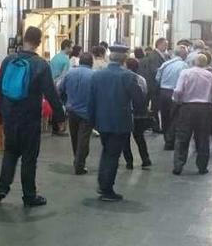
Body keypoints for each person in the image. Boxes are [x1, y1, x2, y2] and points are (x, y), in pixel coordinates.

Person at [0, 27, 66, 207]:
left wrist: (1, 114)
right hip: (29, 118)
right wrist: (60, 116)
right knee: (29, 157)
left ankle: (1, 188)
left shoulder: (8, 60)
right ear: (39, 42)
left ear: (23, 39)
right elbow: (51, 94)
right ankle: (29, 195)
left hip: (10, 117)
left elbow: (0, 90)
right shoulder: (40, 64)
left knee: (10, 153)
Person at [88, 45, 146, 201]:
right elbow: (139, 100)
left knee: (106, 152)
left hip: (101, 120)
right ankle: (106, 189)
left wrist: (92, 120)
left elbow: (91, 100)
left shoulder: (97, 75)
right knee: (113, 155)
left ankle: (103, 184)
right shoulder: (128, 76)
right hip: (120, 121)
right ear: (124, 59)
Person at [172, 54, 212, 175]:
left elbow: (178, 90)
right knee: (203, 138)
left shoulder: (185, 73)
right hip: (205, 109)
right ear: (206, 63)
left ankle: (178, 165)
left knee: (182, 137)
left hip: (187, 107)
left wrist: (177, 101)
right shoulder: (210, 75)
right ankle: (202, 167)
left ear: (194, 62)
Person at [62, 53, 96, 175]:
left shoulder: (70, 73)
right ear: (91, 62)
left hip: (71, 110)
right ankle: (79, 164)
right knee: (84, 139)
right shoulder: (94, 75)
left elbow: (60, 89)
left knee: (75, 137)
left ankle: (76, 159)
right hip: (87, 112)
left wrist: (65, 102)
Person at [156, 46, 189, 150]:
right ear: (183, 54)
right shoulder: (184, 66)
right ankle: (171, 141)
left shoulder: (165, 64)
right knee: (175, 117)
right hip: (174, 92)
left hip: (163, 92)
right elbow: (185, 81)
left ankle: (167, 139)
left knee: (165, 117)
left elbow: (157, 78)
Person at [122, 57, 152, 170]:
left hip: (127, 111)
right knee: (139, 137)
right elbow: (144, 93)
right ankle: (145, 159)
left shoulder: (124, 78)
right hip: (139, 112)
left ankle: (129, 161)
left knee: (125, 137)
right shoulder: (141, 79)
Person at [140, 37, 169, 132]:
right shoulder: (154, 56)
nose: (166, 46)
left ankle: (150, 125)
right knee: (155, 107)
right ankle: (154, 126)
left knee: (154, 106)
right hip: (154, 85)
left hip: (153, 85)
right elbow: (155, 71)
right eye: (165, 44)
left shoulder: (160, 55)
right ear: (159, 45)